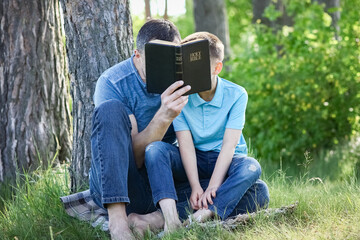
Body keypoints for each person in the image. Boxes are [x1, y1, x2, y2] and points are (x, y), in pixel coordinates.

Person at [145, 32, 270, 229]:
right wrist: (195, 186)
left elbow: (229, 147)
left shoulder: (237, 95)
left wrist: (213, 187)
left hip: (227, 163)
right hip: (194, 160)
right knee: (154, 150)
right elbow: (184, 144)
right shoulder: (182, 97)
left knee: (256, 179)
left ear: (217, 68)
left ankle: (205, 211)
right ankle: (171, 220)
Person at [89, 19, 191, 240]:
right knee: (109, 110)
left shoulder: (185, 80)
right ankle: (119, 225)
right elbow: (133, 159)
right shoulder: (113, 82)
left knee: (255, 190)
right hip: (123, 185)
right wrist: (164, 116)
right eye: (157, 59)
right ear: (137, 55)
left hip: (163, 183)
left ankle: (154, 219)